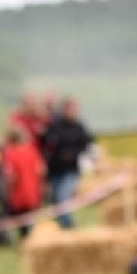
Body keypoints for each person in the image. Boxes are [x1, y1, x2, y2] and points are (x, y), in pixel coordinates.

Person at [39, 98, 93, 230]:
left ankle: (68, 224)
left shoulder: (79, 127)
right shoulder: (54, 126)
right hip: (55, 169)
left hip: (71, 169)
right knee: (56, 199)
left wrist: (72, 153)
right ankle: (61, 224)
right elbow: (44, 143)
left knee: (63, 196)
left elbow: (86, 145)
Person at [1, 124, 44, 237]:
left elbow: (11, 177)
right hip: (33, 193)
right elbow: (41, 170)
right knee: (29, 221)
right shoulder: (32, 150)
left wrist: (7, 191)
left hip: (18, 195)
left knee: (16, 219)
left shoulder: (11, 153)